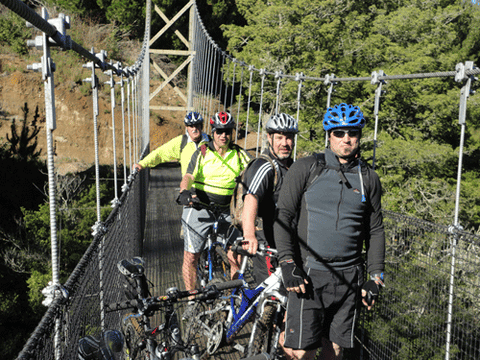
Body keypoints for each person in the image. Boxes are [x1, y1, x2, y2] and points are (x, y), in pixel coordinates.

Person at [274, 103, 386, 360]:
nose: (346, 139)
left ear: (359, 136)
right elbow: (284, 218)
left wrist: (376, 276)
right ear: (329, 135)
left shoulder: (369, 178)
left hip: (350, 277)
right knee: (301, 351)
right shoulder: (306, 168)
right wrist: (288, 262)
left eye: (353, 133)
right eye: (339, 133)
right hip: (310, 275)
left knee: (334, 349)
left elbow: (376, 229)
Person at [176, 111, 251, 313]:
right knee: (191, 257)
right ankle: (192, 300)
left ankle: (235, 297)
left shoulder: (241, 154)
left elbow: (254, 175)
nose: (223, 136)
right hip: (200, 207)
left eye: (227, 131)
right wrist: (183, 191)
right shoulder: (202, 152)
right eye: (219, 131)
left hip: (228, 210)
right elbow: (189, 176)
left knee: (235, 256)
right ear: (213, 132)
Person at [241, 113, 298, 285]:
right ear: (269, 138)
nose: (284, 143)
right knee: (270, 293)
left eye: (289, 138)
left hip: (286, 241)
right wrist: (249, 235)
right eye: (279, 137)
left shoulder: (292, 166)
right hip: (265, 242)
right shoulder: (264, 165)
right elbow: (251, 197)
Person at [132, 111, 210, 175]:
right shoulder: (181, 142)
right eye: (191, 126)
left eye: (197, 126)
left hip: (209, 189)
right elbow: (160, 153)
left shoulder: (211, 142)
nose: (194, 129)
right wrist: (142, 164)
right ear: (186, 127)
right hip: (190, 188)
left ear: (202, 126)